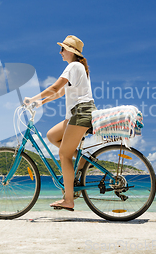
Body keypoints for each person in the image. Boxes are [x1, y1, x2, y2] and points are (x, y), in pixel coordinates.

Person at [24, 35, 96, 211]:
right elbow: (60, 93)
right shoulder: (78, 68)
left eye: (62, 49)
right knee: (51, 135)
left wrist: (31, 98)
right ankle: (84, 162)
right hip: (76, 114)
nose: (60, 52)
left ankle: (69, 200)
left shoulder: (73, 66)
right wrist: (40, 103)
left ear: (70, 51)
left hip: (81, 113)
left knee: (64, 154)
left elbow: (55, 87)